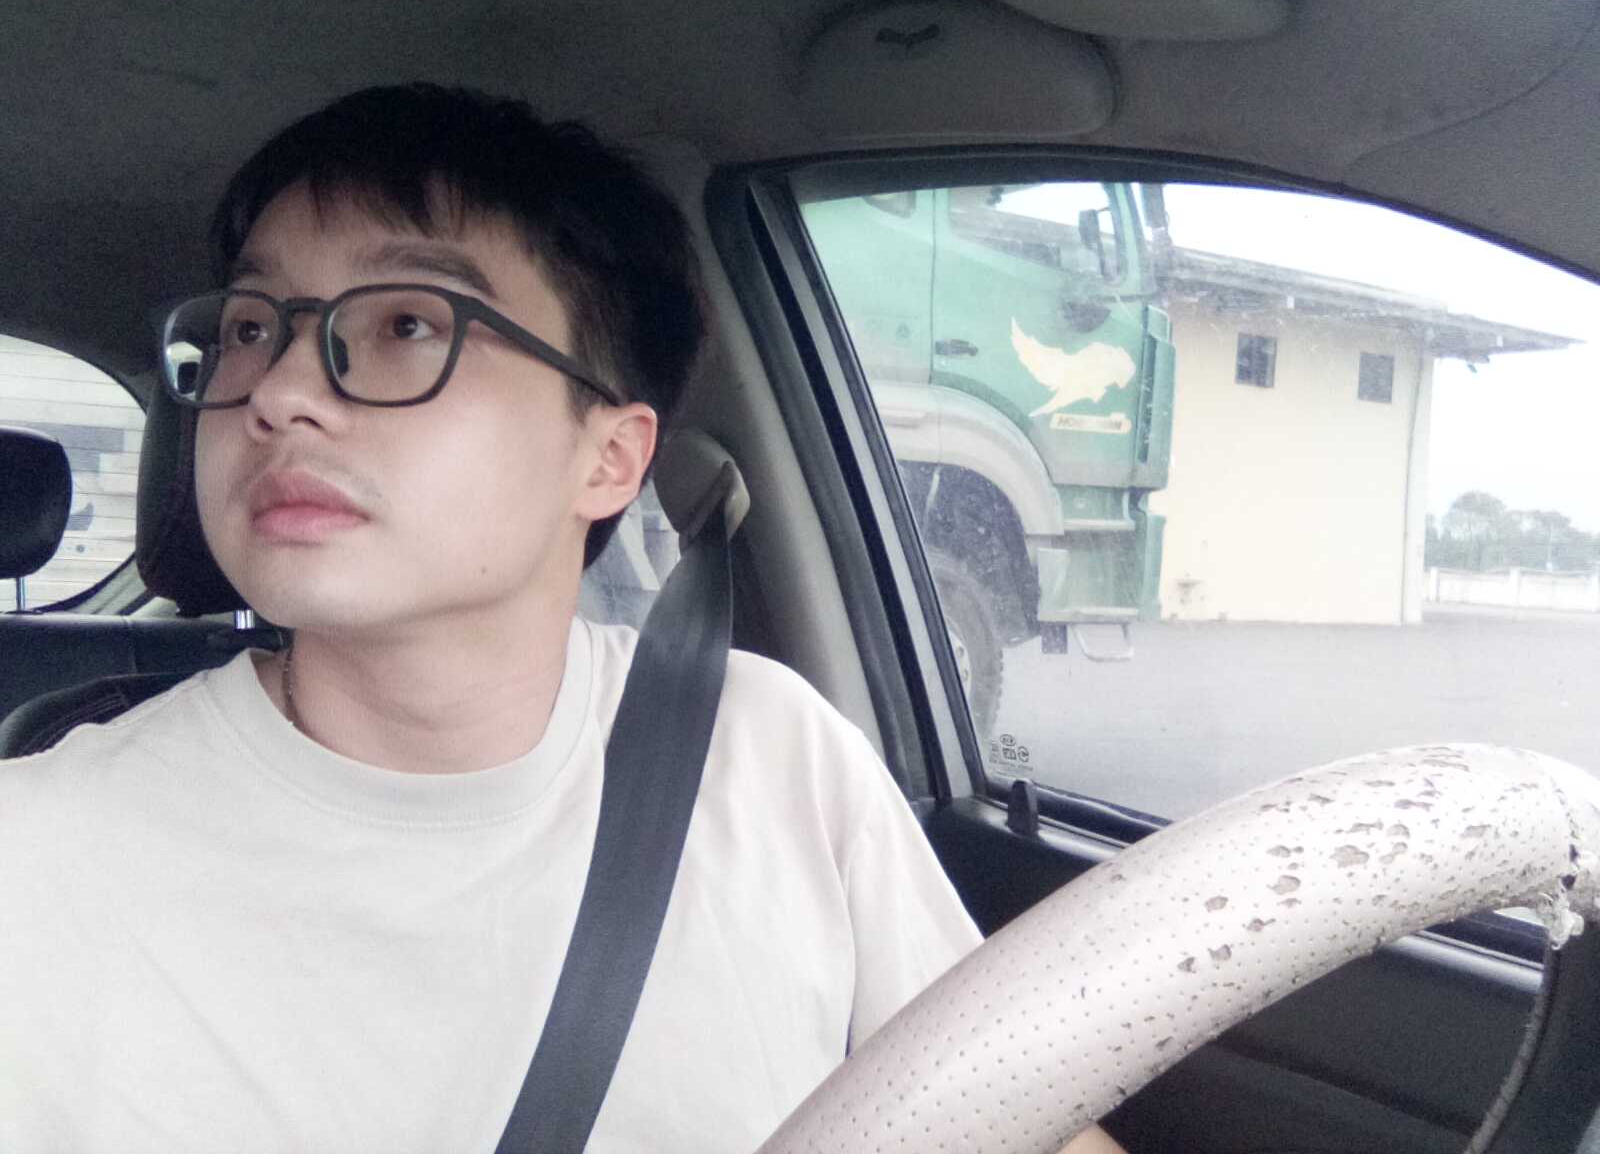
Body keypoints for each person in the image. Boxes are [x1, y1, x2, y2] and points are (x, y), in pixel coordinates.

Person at [0, 84, 1124, 1153]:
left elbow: (1015, 1119)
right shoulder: (37, 851)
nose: (282, 391)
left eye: (406, 323)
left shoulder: (768, 756)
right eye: (253, 328)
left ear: (609, 459)